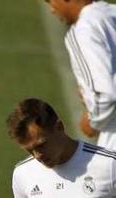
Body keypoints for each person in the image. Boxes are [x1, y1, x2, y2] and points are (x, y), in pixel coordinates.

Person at [46, 0, 116, 148]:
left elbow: (104, 95)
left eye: (50, 2)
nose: (52, 10)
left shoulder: (83, 29)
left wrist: (92, 122)